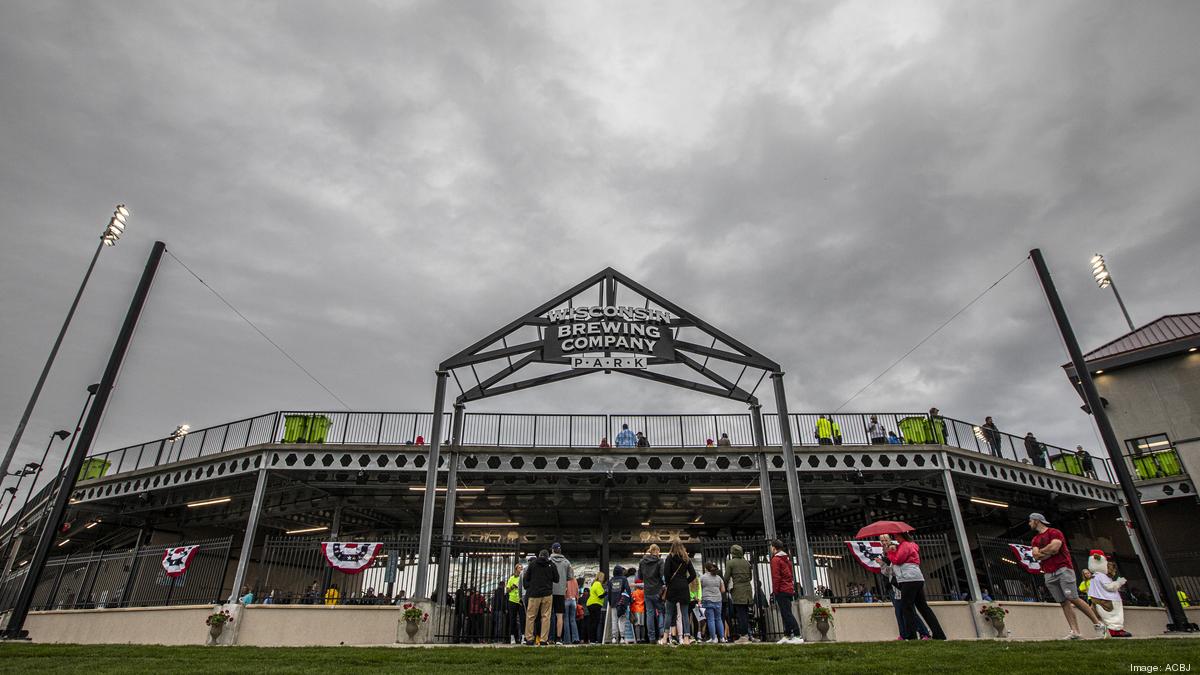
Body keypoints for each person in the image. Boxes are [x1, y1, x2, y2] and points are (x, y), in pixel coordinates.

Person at [1028, 512, 1106, 639]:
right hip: (1048, 573)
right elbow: (1036, 555)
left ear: (1037, 521)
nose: (1029, 523)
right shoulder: (1035, 539)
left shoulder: (1054, 532)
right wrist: (1047, 552)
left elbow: (1055, 548)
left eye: (1030, 521)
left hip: (1063, 569)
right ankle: (1075, 631)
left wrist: (1044, 552)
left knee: (1072, 597)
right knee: (1063, 602)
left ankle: (1098, 624)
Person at [881, 532, 946, 640]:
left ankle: (912, 636)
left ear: (901, 536)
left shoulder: (905, 545)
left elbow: (897, 560)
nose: (895, 538)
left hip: (908, 579)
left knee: (907, 607)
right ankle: (938, 633)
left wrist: (890, 553)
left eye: (896, 536)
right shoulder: (911, 545)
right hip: (917, 578)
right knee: (923, 607)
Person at [660, 540, 697, 645]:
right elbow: (693, 575)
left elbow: (666, 574)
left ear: (672, 547)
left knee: (669, 613)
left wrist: (669, 583)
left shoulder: (669, 558)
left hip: (672, 588)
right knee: (685, 614)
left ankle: (665, 637)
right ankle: (686, 638)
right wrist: (686, 582)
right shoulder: (686, 558)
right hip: (684, 588)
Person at [522, 549, 559, 645]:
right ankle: (543, 639)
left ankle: (529, 638)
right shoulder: (551, 565)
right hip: (547, 594)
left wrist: (530, 586)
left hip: (534, 594)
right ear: (548, 556)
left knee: (530, 616)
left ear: (539, 555)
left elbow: (526, 579)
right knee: (546, 617)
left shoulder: (533, 564)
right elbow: (557, 579)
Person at [769, 539, 803, 643]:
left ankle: (797, 634)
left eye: (771, 547)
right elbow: (790, 574)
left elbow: (776, 577)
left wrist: (775, 591)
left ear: (774, 548)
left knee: (786, 613)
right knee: (786, 612)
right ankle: (788, 635)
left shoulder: (775, 560)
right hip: (788, 588)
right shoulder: (786, 559)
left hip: (781, 589)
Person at [724, 544, 753, 643]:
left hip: (737, 590)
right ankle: (748, 634)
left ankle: (743, 636)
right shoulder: (747, 563)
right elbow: (750, 577)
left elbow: (726, 577)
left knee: (741, 615)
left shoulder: (730, 563)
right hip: (748, 590)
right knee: (745, 613)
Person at [637, 543, 666, 643]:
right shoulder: (660, 561)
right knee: (661, 612)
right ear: (657, 551)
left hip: (647, 591)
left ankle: (651, 638)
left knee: (650, 614)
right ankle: (662, 635)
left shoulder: (642, 562)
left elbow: (640, 577)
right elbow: (663, 576)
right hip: (658, 591)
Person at [548, 543, 573, 645]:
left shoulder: (548, 561)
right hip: (561, 592)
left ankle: (549, 638)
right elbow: (570, 577)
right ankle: (558, 638)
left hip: (549, 591)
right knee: (559, 616)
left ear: (553, 550)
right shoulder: (567, 562)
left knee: (548, 616)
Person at [699, 562, 726, 643]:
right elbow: (723, 590)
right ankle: (722, 638)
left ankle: (713, 638)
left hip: (707, 600)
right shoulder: (719, 578)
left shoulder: (702, 577)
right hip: (718, 600)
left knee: (710, 619)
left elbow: (699, 589)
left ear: (706, 568)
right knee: (718, 619)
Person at [607, 565, 632, 643]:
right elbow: (628, 590)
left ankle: (614, 638)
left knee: (614, 620)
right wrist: (630, 600)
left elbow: (609, 593)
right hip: (622, 603)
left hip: (613, 603)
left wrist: (610, 602)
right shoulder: (624, 579)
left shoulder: (611, 580)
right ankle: (622, 637)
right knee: (622, 619)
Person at [505, 563, 524, 644]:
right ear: (516, 569)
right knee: (512, 619)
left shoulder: (523, 578)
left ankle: (523, 637)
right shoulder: (511, 578)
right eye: (520, 568)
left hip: (520, 600)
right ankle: (513, 637)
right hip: (512, 601)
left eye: (522, 568)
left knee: (523, 619)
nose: (521, 569)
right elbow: (507, 590)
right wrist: (512, 587)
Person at [587, 572, 607, 643]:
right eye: (603, 577)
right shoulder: (598, 584)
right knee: (595, 622)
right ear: (601, 577)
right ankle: (593, 639)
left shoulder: (593, 584)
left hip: (590, 604)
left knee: (592, 622)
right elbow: (600, 595)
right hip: (595, 604)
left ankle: (591, 639)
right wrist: (607, 591)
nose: (604, 579)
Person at [563, 574, 580, 644]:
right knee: (573, 620)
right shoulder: (575, 580)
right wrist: (576, 600)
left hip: (566, 600)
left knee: (566, 619)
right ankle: (575, 638)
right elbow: (577, 591)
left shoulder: (565, 579)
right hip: (573, 601)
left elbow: (564, 590)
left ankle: (567, 639)